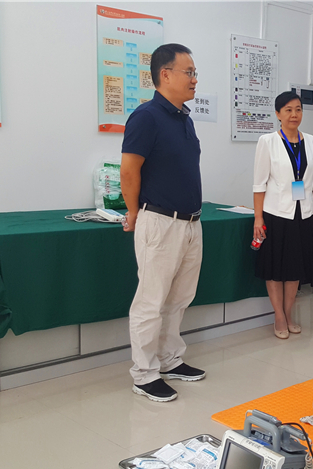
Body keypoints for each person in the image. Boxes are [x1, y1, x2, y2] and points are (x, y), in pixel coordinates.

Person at [120, 43, 205, 403]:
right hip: (159, 220)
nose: (195, 79)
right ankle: (144, 374)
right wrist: (134, 211)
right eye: (189, 72)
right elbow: (129, 170)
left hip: (191, 223)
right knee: (151, 301)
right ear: (165, 74)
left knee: (179, 299)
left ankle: (169, 360)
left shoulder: (184, 118)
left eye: (195, 73)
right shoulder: (146, 117)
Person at [253, 92, 313, 339]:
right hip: (275, 214)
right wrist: (258, 218)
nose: (294, 114)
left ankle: (288, 313)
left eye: (298, 109)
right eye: (288, 110)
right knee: (275, 268)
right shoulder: (267, 141)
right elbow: (259, 184)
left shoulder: (312, 142)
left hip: (303, 214)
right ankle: (279, 316)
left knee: (295, 268)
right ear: (278, 114)